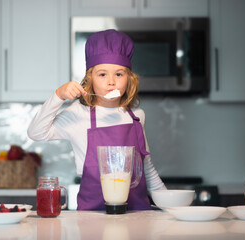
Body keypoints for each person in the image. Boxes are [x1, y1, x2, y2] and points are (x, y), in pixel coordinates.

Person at [27, 29, 166, 210]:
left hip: (136, 214)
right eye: (102, 74)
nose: (111, 82)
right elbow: (35, 133)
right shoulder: (78, 114)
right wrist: (58, 96)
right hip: (91, 217)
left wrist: (170, 208)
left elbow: (146, 168)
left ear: (129, 79)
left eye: (119, 74)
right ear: (89, 79)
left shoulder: (137, 116)